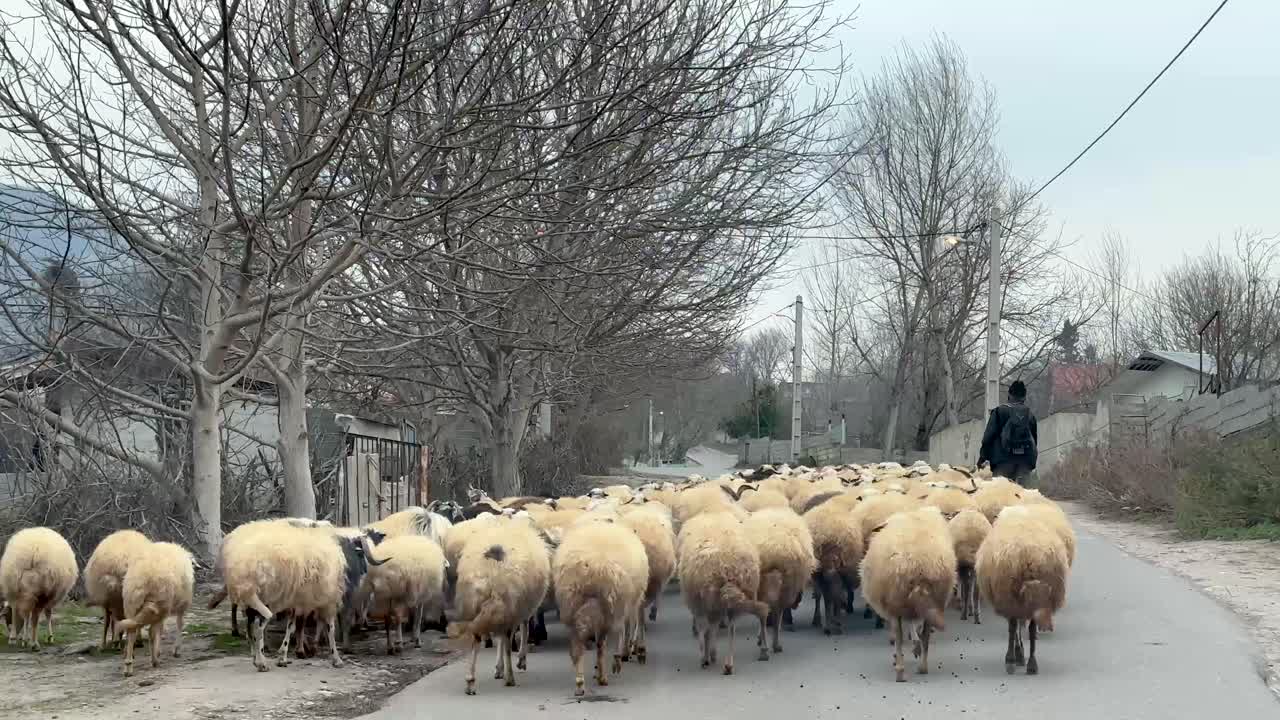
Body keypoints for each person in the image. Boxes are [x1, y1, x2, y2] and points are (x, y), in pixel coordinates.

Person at [977, 380, 1038, 484]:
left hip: (1002, 463)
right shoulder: (1030, 415)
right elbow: (1034, 442)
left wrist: (982, 457)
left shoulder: (999, 411)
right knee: (1024, 497)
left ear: (1009, 395)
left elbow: (988, 438)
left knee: (1001, 497)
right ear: (1024, 397)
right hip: (1024, 464)